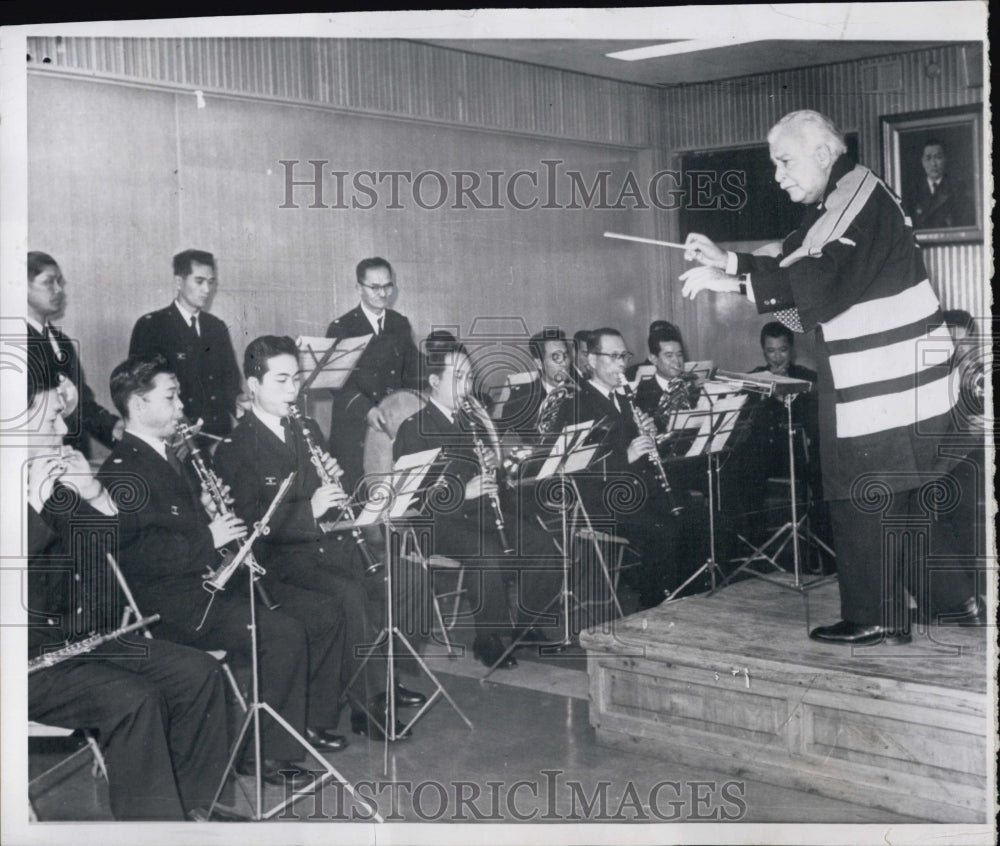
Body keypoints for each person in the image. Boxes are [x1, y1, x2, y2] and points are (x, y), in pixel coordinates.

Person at [681, 109, 982, 644]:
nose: (778, 175)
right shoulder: (847, 195)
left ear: (823, 152)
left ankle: (876, 615)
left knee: (860, 492)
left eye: (784, 160)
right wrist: (731, 266)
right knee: (903, 495)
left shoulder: (853, 193)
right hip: (899, 378)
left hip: (881, 381)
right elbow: (801, 256)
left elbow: (815, 270)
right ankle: (955, 604)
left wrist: (731, 272)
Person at [98, 354, 349, 785]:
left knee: (317, 611)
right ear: (138, 406)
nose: (181, 408)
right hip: (171, 604)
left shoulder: (167, 457)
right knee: (282, 633)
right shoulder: (123, 470)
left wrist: (208, 512)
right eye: (171, 397)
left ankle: (298, 726)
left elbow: (176, 525)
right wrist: (208, 537)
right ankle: (266, 756)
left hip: (209, 583)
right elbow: (136, 555)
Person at [26, 366, 232, 821]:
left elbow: (109, 542)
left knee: (197, 673)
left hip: (86, 641)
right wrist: (38, 507)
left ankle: (191, 810)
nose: (64, 431)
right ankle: (151, 829)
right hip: (29, 660)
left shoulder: (48, 481)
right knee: (134, 700)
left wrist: (93, 493)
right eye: (53, 420)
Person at [212, 335, 424, 740]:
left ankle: (381, 680)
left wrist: (333, 487)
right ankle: (366, 707)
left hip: (326, 543)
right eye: (281, 380)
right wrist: (310, 508)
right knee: (348, 595)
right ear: (253, 386)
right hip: (280, 560)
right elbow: (250, 524)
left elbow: (325, 487)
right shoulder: (236, 447)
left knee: (405, 577)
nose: (293, 390)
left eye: (296, 379)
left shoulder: (306, 426)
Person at [394, 331, 563, 666]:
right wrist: (463, 491)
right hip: (435, 522)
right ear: (433, 381)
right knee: (486, 552)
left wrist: (501, 469)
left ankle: (527, 627)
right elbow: (411, 498)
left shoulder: (472, 420)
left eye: (469, 377)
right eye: (458, 378)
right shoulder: (415, 428)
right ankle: (489, 638)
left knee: (540, 543)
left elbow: (493, 477)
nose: (468, 385)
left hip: (479, 513)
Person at [573, 328, 701, 608]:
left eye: (624, 356)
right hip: (601, 498)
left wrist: (650, 435)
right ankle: (653, 605)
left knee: (694, 515)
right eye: (613, 356)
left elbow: (639, 448)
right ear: (591, 360)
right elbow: (577, 466)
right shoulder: (577, 402)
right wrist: (628, 455)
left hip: (636, 488)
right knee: (664, 529)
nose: (621, 364)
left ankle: (685, 597)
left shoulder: (623, 397)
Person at [325, 257, 420, 492]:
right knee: (358, 496)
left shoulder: (399, 323)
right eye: (374, 287)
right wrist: (365, 409)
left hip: (391, 426)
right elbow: (336, 384)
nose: (383, 293)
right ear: (359, 288)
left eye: (388, 286)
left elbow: (413, 369)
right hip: (354, 428)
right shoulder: (341, 327)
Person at [128, 249, 244, 438]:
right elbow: (140, 388)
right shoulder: (151, 326)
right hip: (175, 434)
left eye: (211, 282)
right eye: (199, 281)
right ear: (179, 282)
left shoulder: (216, 327)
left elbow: (230, 383)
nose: (207, 290)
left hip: (217, 432)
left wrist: (239, 400)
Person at [26, 251, 123, 456]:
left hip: (74, 458)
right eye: (49, 282)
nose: (59, 290)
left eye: (59, 282)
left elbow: (80, 403)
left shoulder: (62, 342)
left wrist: (114, 428)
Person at [908, 139, 975, 230]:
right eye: (928, 158)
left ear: (945, 159)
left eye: (938, 157)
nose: (933, 163)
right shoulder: (914, 192)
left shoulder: (957, 189)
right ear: (922, 162)